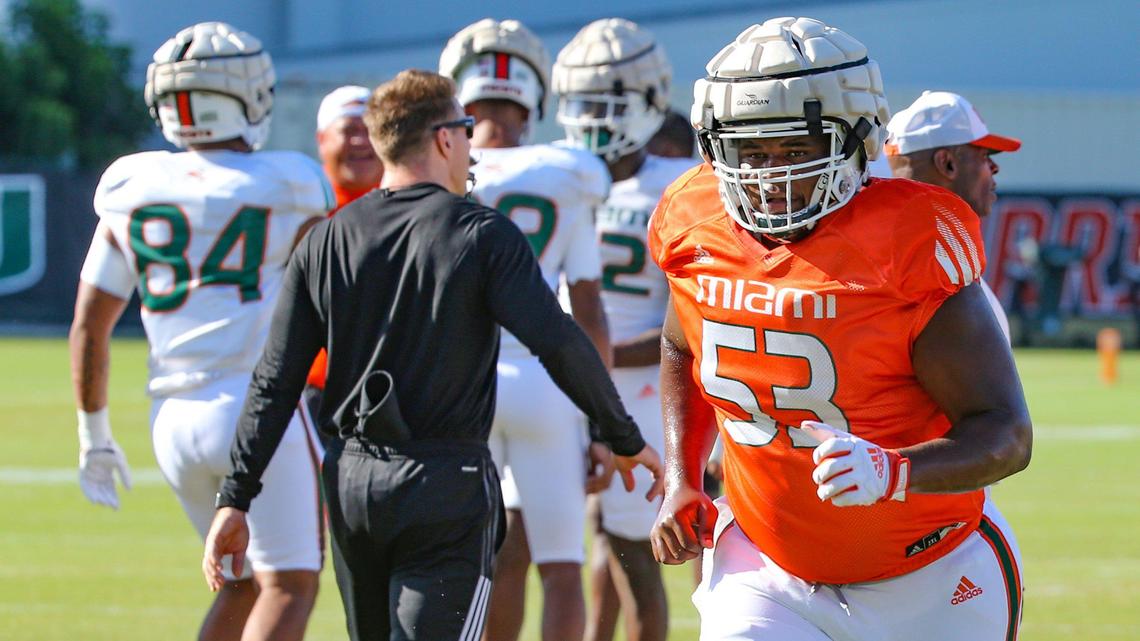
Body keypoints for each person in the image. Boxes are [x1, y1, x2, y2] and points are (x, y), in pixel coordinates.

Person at [201, 69, 664, 641]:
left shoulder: (327, 237)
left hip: (351, 480)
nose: (472, 144)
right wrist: (621, 435)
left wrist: (234, 498)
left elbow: (275, 379)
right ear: (445, 138)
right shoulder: (481, 232)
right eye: (466, 128)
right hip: (445, 483)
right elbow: (559, 341)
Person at [648, 17, 1032, 641]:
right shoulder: (695, 222)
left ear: (857, 141)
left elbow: (1007, 434)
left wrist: (893, 471)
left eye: (796, 150)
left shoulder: (907, 243)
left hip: (932, 574)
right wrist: (683, 477)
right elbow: (680, 343)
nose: (769, 175)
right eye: (749, 151)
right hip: (766, 570)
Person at [69, 22, 332, 641]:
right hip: (253, 404)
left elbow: (89, 324)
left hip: (172, 420)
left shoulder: (132, 186)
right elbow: (327, 303)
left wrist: (94, 435)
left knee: (242, 581)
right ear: (250, 96)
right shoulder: (288, 181)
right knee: (290, 584)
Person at [439, 19, 615, 641]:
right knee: (561, 565)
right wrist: (602, 420)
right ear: (532, 96)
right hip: (547, 385)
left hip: (463, 386)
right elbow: (588, 310)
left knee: (480, 561)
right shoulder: (570, 173)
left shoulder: (439, 172)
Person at [552, 18, 694, 641]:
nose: (593, 119)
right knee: (603, 545)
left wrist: (592, 354)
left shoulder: (679, 187)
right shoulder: (680, 184)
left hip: (634, 390)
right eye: (584, 104)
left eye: (603, 104)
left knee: (635, 559)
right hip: (584, 387)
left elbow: (688, 317)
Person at [886, 90, 1023, 342]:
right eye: (983, 155)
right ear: (946, 163)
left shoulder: (868, 249)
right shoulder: (942, 280)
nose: (994, 167)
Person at [304, 85, 386, 437]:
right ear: (322, 140)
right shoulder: (304, 208)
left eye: (369, 130)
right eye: (349, 130)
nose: (360, 142)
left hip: (392, 392)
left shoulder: (409, 206)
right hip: (317, 392)